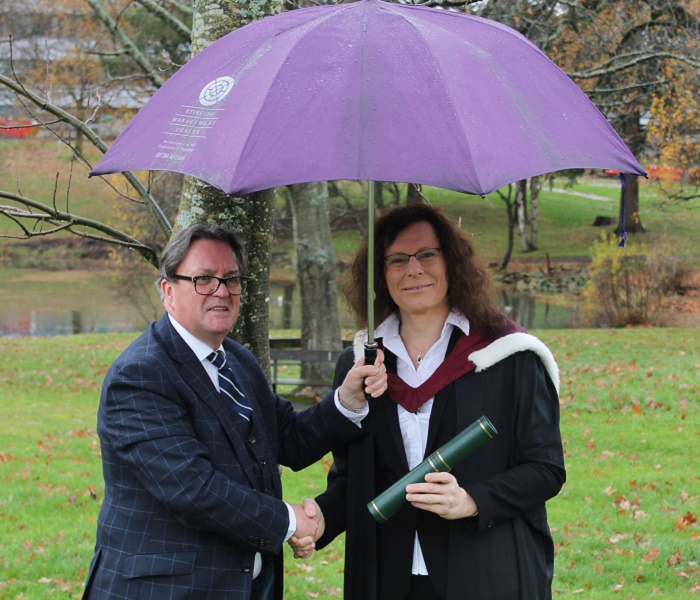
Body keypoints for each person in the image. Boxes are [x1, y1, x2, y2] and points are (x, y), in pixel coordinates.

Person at [82, 223, 386, 600]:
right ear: (168, 290)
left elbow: (289, 439)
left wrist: (348, 400)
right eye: (204, 279)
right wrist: (291, 521)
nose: (221, 291)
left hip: (244, 586)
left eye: (231, 279)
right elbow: (194, 490)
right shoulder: (141, 375)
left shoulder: (238, 361)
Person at [291, 204, 566, 600]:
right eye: (397, 259)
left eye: (427, 255)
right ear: (380, 274)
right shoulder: (362, 365)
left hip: (487, 571)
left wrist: (472, 500)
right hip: (388, 576)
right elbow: (355, 478)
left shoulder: (508, 356)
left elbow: (546, 469)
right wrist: (321, 522)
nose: (414, 269)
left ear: (451, 262)